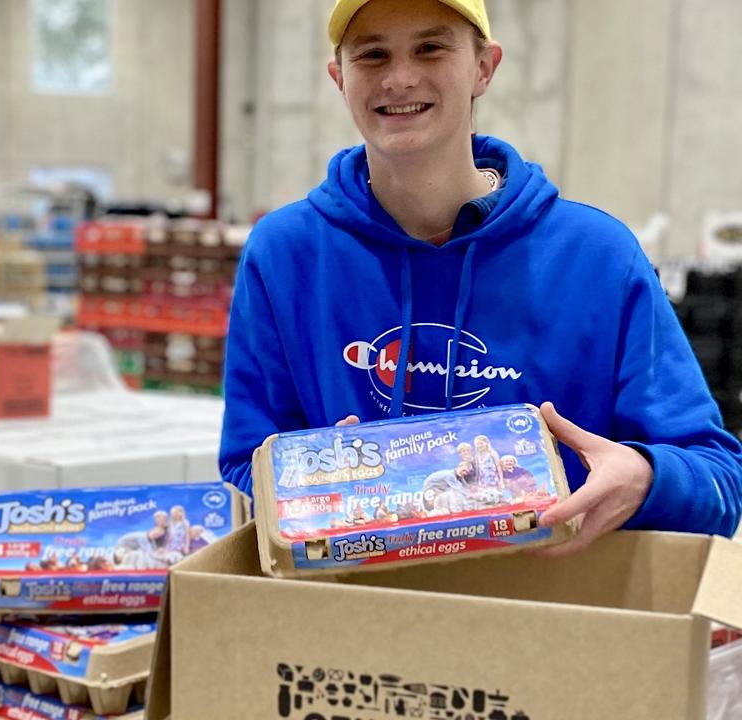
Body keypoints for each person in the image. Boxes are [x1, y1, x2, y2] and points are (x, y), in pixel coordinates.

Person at [218, 0, 742, 554]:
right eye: (373, 55)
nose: (399, 78)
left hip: (548, 620)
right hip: (353, 621)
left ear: (485, 68)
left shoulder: (598, 257)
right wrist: (302, 486)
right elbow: (243, 468)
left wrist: (645, 478)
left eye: (430, 48)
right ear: (339, 79)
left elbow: (719, 482)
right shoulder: (285, 255)